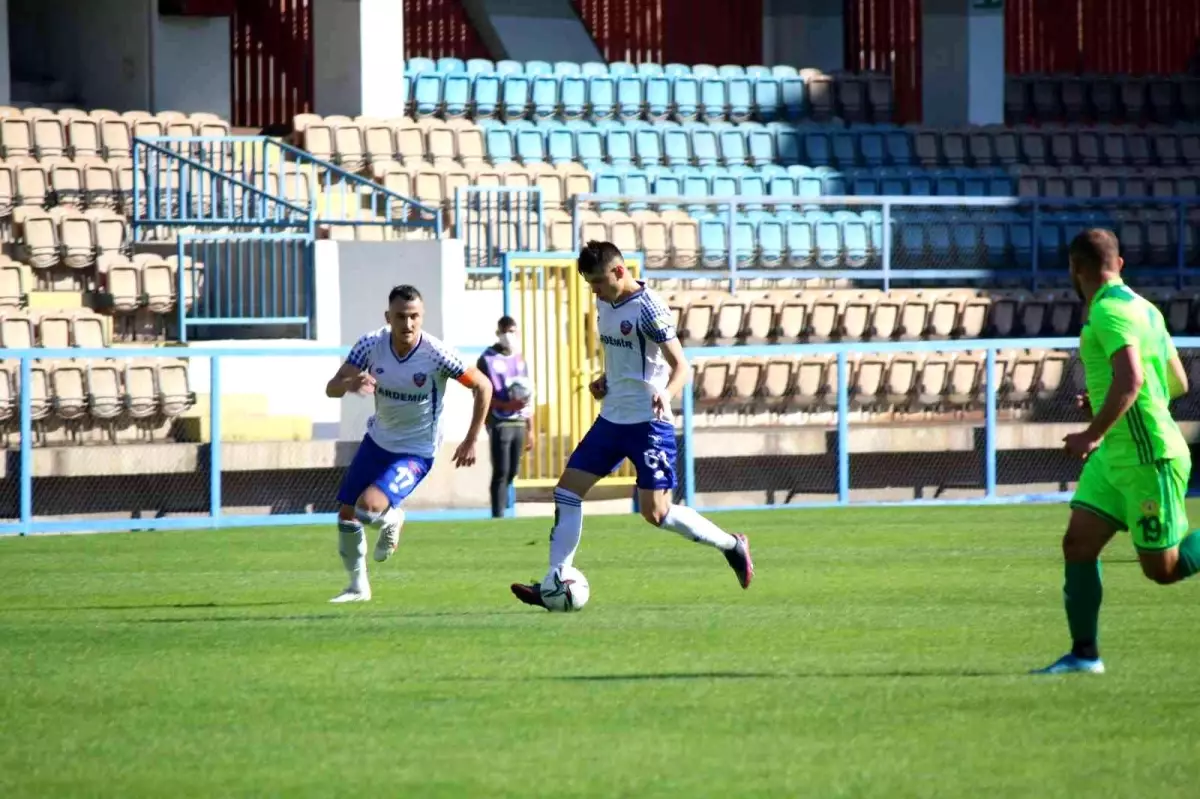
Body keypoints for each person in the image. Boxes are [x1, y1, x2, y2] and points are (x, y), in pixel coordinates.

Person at [510, 241, 753, 608]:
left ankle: (732, 545)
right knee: (567, 492)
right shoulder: (604, 301)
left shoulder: (649, 308)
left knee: (656, 513)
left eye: (597, 282)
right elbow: (623, 356)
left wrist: (665, 393)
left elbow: (682, 367)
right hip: (612, 418)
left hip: (648, 424)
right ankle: (554, 581)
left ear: (619, 271)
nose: (593, 290)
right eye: (589, 283)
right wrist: (605, 379)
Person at [1035, 229, 1197, 674]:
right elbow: (1177, 382)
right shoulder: (1144, 309)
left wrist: (1091, 433)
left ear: (1075, 268)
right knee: (1078, 544)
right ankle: (1084, 656)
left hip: (1147, 456)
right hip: (1117, 457)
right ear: (1119, 263)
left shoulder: (1106, 313)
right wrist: (1106, 399)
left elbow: (1132, 382)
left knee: (1162, 569)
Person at [325, 284, 492, 603]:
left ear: (422, 316)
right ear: (388, 317)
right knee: (347, 516)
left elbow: (482, 386)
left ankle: (393, 517)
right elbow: (331, 388)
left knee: (368, 509)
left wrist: (472, 438)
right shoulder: (370, 346)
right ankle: (358, 587)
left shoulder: (436, 354)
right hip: (377, 442)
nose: (408, 324)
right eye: (401, 316)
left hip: (416, 451)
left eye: (414, 316)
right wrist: (351, 382)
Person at [477, 315, 534, 518]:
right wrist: (505, 405)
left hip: (519, 421)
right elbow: (481, 394)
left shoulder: (519, 360)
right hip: (499, 421)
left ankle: (500, 509)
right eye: (505, 332)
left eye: (512, 331)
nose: (509, 336)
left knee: (512, 471)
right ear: (498, 333)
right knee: (501, 470)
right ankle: (498, 514)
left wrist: (531, 428)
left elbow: (528, 395)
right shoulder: (487, 359)